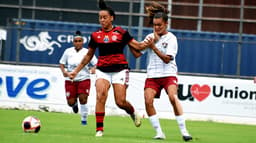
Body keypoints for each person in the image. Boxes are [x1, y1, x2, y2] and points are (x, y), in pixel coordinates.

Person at [68, 0, 153, 137]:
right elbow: (89, 55)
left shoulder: (121, 32)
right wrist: (76, 71)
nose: (102, 20)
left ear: (111, 18)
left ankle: (132, 112)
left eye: (105, 17)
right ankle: (99, 130)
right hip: (102, 70)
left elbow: (137, 46)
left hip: (120, 70)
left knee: (120, 102)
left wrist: (149, 42)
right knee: (100, 96)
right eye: (100, 18)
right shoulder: (95, 36)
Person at [134, 2, 193, 141]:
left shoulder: (171, 38)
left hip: (168, 74)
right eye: (154, 25)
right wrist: (130, 42)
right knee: (148, 101)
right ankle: (159, 133)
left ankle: (184, 132)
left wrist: (153, 47)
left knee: (173, 98)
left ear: (166, 24)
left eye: (159, 25)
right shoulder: (150, 37)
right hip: (152, 75)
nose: (156, 27)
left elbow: (167, 59)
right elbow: (137, 53)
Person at [59, 30, 97, 125]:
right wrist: (64, 72)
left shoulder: (87, 52)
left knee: (83, 99)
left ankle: (84, 119)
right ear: (73, 42)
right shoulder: (68, 51)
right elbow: (62, 63)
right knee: (70, 102)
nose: (78, 43)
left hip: (84, 78)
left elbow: (96, 63)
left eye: (80, 41)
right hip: (70, 80)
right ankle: (74, 105)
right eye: (76, 41)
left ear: (83, 42)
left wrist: (93, 69)